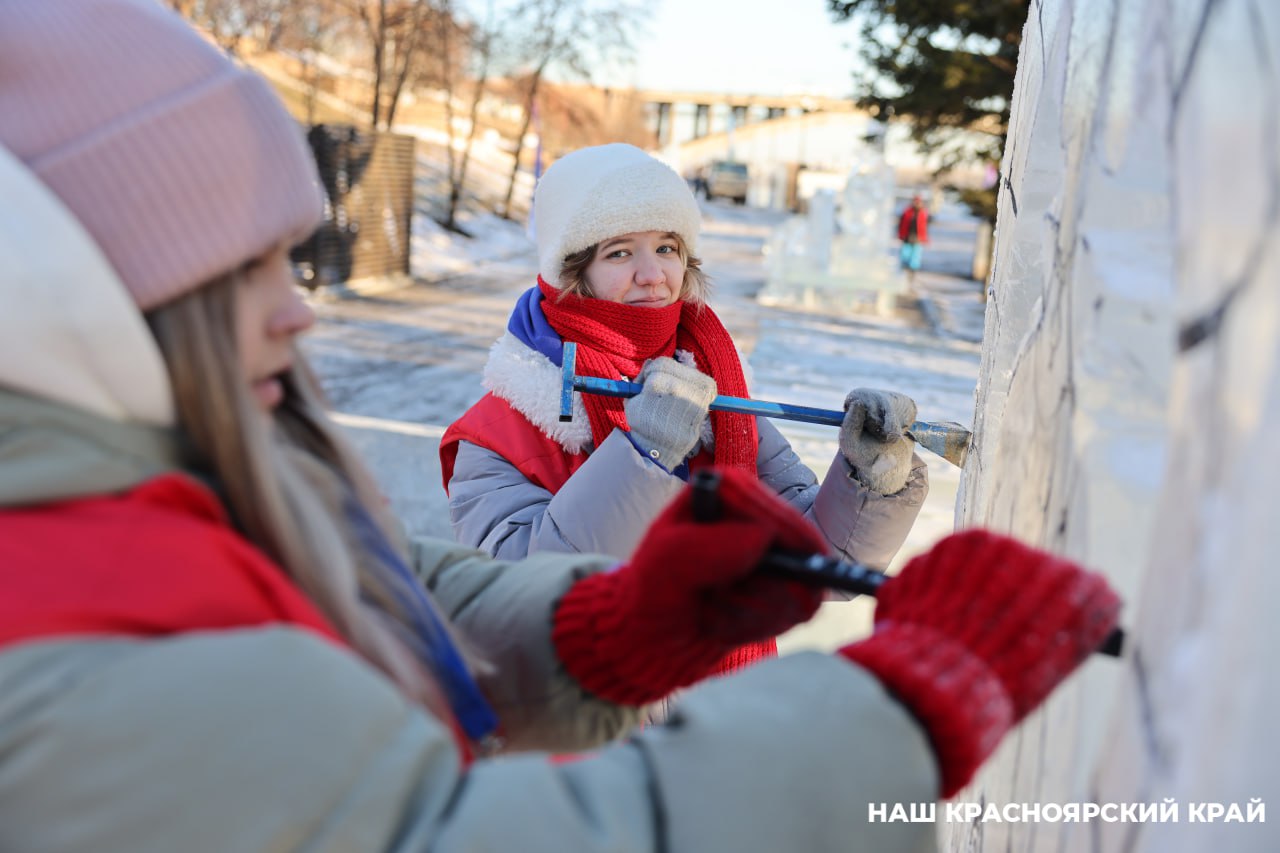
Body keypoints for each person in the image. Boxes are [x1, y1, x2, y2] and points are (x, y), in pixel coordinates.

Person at [0, 3, 1123, 851]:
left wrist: (631, 619)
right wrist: (901, 703)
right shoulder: (506, 417)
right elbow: (453, 822)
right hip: (640, 758)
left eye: (668, 250)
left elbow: (397, 589)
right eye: (243, 274)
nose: (298, 309)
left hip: (710, 708)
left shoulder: (201, 490)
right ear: (79, 301)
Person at [441, 142, 929, 674]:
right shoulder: (500, 433)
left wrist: (871, 481)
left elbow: (813, 560)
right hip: (592, 740)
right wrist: (642, 459)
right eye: (620, 252)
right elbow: (523, 607)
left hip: (720, 725)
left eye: (667, 248)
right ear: (570, 274)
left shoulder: (716, 397)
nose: (653, 275)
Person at [898, 194, 929, 288]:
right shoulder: (907, 212)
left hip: (917, 238)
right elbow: (901, 224)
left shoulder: (923, 213)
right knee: (905, 256)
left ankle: (911, 276)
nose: (916, 203)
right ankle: (903, 274)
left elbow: (924, 226)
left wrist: (924, 238)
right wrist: (901, 234)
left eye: (918, 202)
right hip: (907, 237)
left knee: (915, 259)